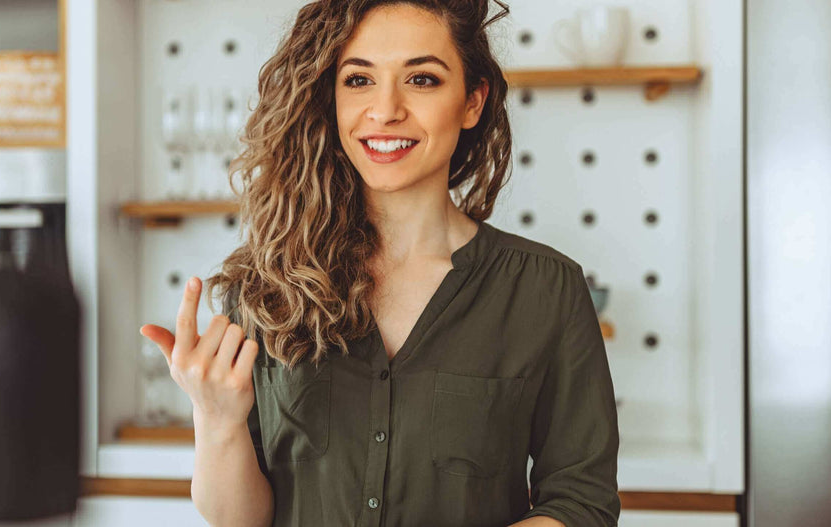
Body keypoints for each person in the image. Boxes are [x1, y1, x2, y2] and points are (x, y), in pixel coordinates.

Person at [139, 0, 620, 525]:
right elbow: (240, 519)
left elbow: (581, 503)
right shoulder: (267, 286)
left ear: (472, 102)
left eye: (421, 79)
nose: (386, 109)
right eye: (359, 80)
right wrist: (217, 421)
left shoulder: (546, 290)